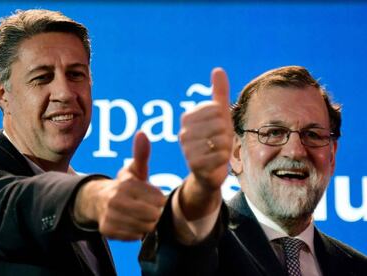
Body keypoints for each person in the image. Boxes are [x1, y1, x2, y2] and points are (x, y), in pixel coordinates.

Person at [0, 9, 166, 276]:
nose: (64, 93)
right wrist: (91, 199)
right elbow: (19, 203)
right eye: (42, 77)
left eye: (76, 74)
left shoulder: (84, 212)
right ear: (1, 93)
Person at [140, 66, 367, 275]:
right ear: (237, 152)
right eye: (273, 132)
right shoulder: (205, 241)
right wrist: (199, 189)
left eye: (313, 135)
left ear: (332, 155)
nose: (296, 151)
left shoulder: (358, 267)